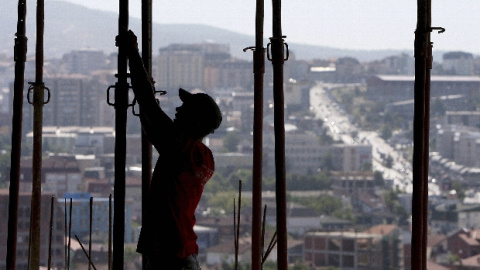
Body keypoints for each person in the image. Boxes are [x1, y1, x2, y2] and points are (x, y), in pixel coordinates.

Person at [119, 29, 222, 270]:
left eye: (184, 109)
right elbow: (153, 122)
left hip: (171, 256)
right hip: (182, 254)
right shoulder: (204, 156)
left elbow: (149, 107)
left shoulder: (180, 148)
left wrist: (133, 54)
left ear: (196, 122)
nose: (177, 110)